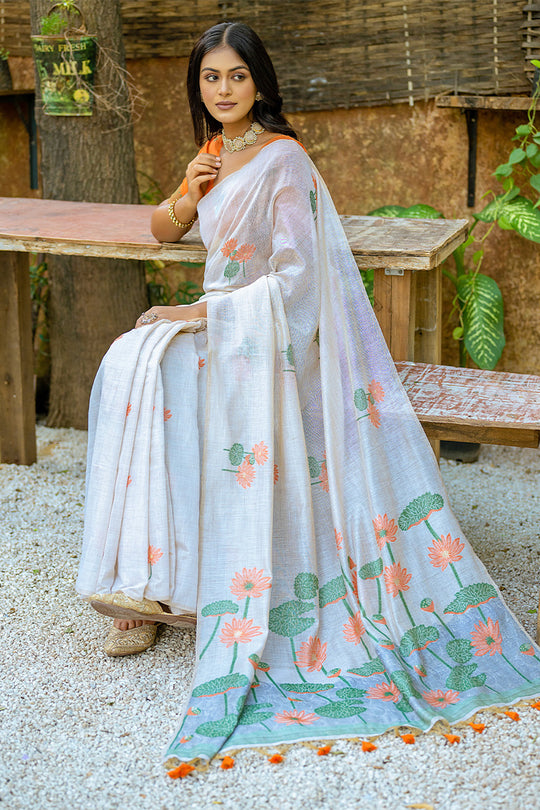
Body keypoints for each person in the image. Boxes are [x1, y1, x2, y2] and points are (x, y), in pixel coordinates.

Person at [77, 21, 540, 767]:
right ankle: (144, 587)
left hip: (269, 340)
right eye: (209, 78)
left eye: (235, 76)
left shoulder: (284, 160)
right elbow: (160, 231)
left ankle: (183, 579)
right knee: (130, 362)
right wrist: (189, 191)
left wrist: (201, 313)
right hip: (226, 327)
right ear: (198, 87)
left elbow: (297, 283)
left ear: (260, 81)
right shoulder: (215, 155)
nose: (222, 90)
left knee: (156, 365)